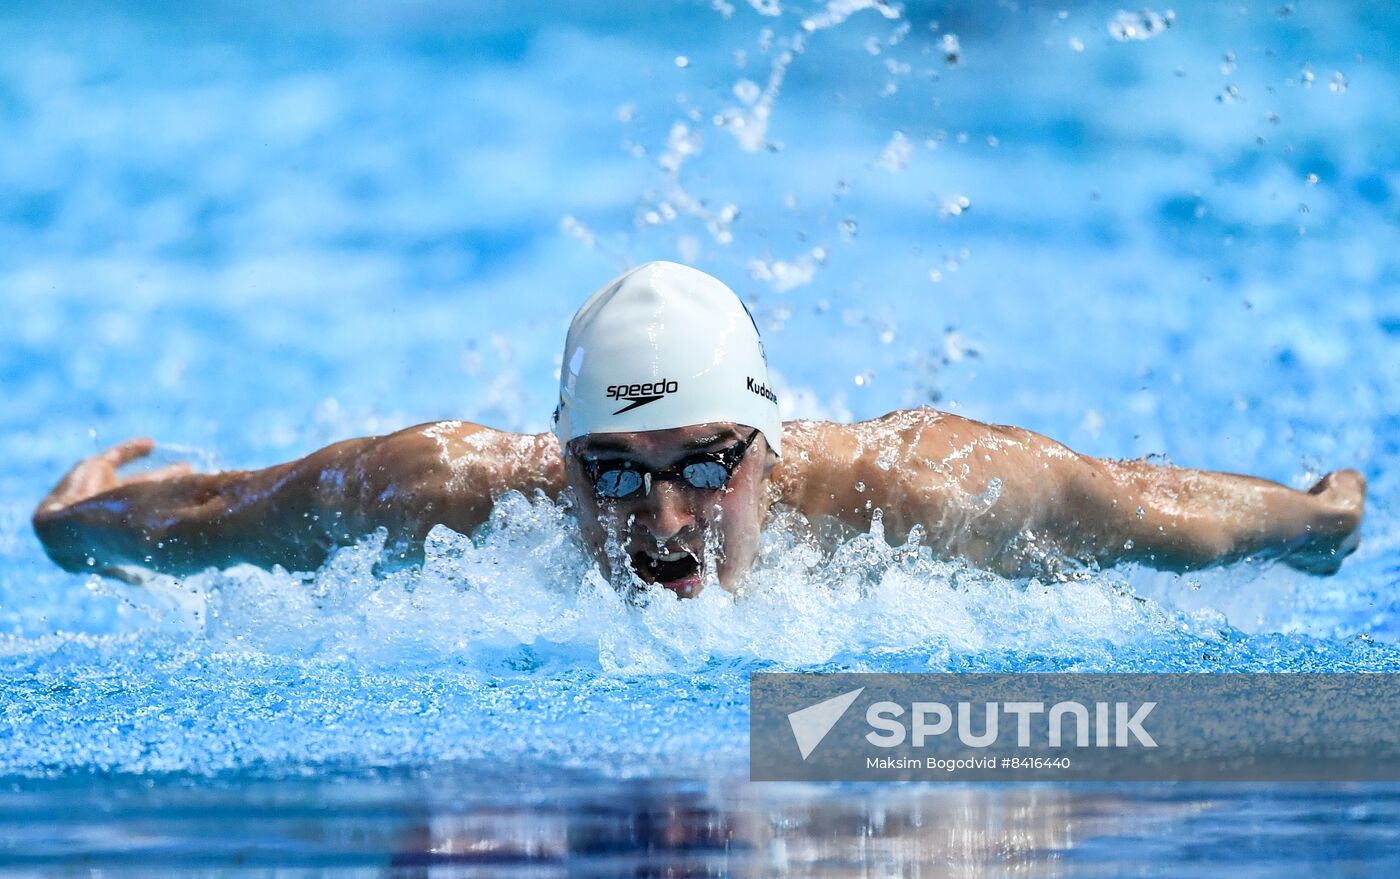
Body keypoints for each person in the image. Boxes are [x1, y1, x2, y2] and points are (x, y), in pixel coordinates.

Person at [32, 261, 1365, 597]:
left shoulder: (922, 490)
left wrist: (1315, 522)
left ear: (765, 448)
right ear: (556, 459)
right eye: (611, 472)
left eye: (702, 469)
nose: (660, 526)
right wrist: (77, 530)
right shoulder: (442, 491)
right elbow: (214, 521)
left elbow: (1148, 509)